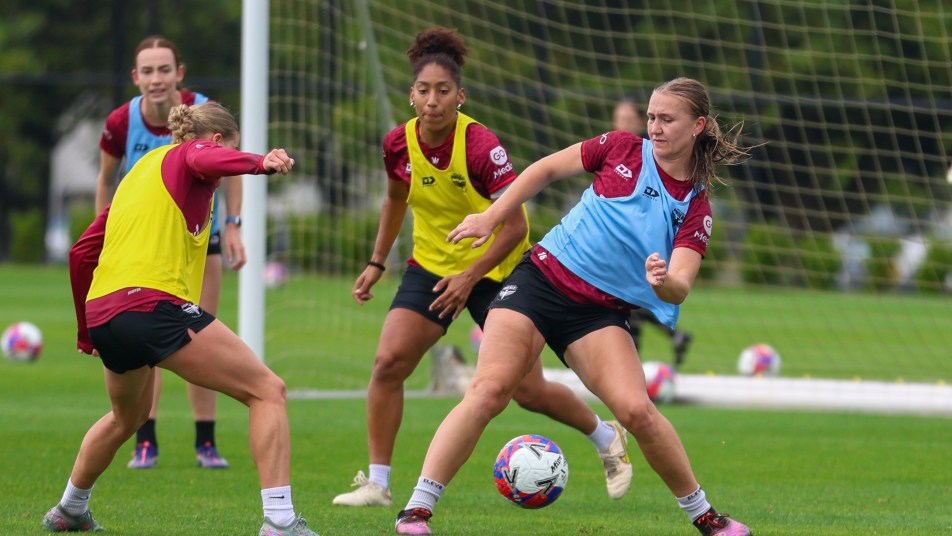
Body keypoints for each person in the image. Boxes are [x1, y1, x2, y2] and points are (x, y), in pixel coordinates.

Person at [394, 77, 755, 536]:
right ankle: (416, 511)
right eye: (651, 117)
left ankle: (707, 518)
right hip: (540, 282)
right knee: (489, 391)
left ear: (698, 126)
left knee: (638, 412)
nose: (655, 127)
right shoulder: (621, 147)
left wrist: (662, 281)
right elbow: (545, 169)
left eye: (667, 119)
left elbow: (680, 285)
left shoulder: (695, 207)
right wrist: (490, 216)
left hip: (598, 313)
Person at [333, 27, 632, 509]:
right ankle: (378, 484)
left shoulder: (479, 146)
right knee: (388, 363)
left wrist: (469, 277)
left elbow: (515, 227)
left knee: (528, 391)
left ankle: (605, 436)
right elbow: (395, 198)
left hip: (499, 273)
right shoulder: (397, 144)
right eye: (424, 90)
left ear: (460, 96)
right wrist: (376, 261)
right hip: (431, 267)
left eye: (443, 90)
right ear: (411, 94)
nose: (433, 101)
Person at [48, 102, 318, 536]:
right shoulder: (189, 154)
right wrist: (258, 162)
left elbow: (81, 253)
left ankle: (70, 508)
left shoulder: (139, 174)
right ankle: (280, 521)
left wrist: (86, 333)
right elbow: (200, 156)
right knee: (269, 391)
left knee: (126, 418)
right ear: (217, 142)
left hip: (105, 315)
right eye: (228, 152)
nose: (224, 171)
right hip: (151, 306)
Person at [95, 35, 246, 469]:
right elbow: (106, 180)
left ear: (179, 74)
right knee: (147, 339)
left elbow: (231, 168)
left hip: (199, 240)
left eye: (164, 69)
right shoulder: (122, 121)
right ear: (136, 77)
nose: (156, 78)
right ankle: (146, 442)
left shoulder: (205, 111)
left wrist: (233, 224)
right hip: (145, 249)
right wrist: (105, 233)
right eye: (148, 71)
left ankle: (206, 442)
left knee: (203, 332)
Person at [613, 98, 693, 368]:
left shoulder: (655, 156)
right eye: (619, 118)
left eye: (628, 119)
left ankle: (630, 370)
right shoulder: (616, 151)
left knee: (630, 303)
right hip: (622, 246)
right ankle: (673, 338)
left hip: (642, 245)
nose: (622, 124)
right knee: (629, 304)